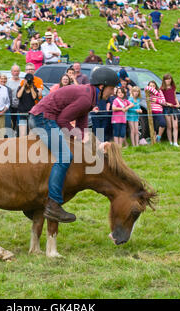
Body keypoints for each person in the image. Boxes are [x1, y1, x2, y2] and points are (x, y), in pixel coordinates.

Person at [29, 67, 118, 223]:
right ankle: (53, 204)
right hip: (43, 119)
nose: (112, 92)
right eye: (111, 88)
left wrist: (90, 141)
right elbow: (63, 121)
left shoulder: (90, 97)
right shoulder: (86, 97)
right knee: (65, 157)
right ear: (102, 86)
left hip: (44, 117)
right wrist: (79, 136)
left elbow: (82, 123)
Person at [161, 74, 180, 147]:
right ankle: (170, 141)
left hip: (174, 108)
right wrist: (168, 104)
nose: (168, 80)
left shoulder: (173, 87)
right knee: (169, 126)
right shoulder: (162, 89)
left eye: (170, 79)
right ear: (164, 80)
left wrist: (177, 103)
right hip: (167, 108)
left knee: (176, 126)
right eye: (167, 79)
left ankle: (175, 142)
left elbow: (175, 97)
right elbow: (162, 100)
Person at [17, 73, 38, 137]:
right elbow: (18, 96)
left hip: (31, 113)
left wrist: (31, 87)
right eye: (27, 80)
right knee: (22, 134)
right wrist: (23, 86)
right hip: (22, 113)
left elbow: (34, 97)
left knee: (32, 134)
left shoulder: (34, 88)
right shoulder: (20, 88)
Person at [6, 64, 22, 133]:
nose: (16, 73)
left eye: (17, 71)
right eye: (14, 71)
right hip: (10, 106)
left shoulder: (22, 82)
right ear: (11, 72)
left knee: (20, 125)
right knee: (11, 124)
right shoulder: (8, 82)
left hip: (20, 106)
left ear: (19, 72)